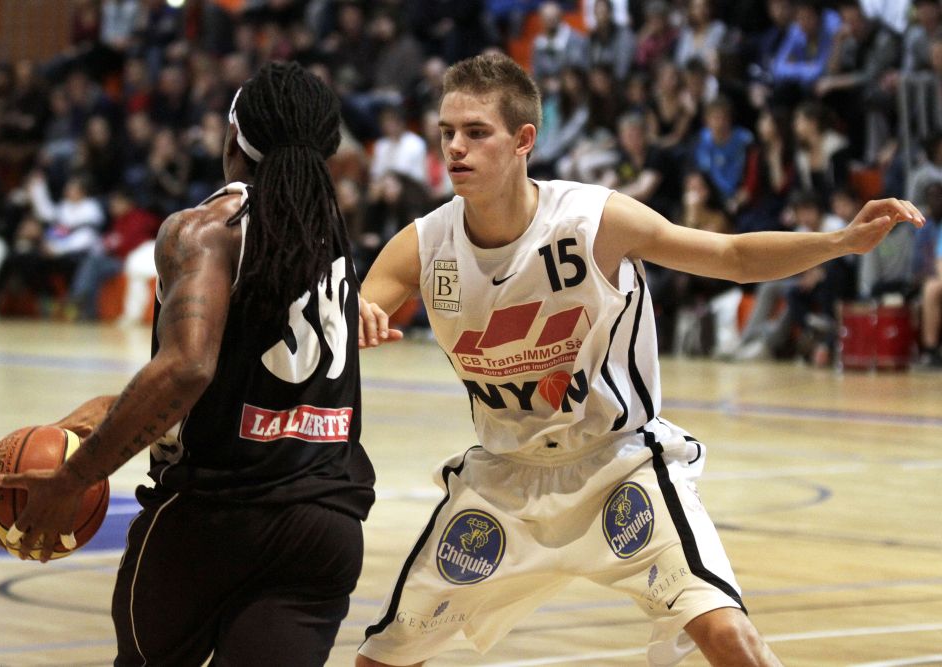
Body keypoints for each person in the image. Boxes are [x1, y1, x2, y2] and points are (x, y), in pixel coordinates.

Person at [354, 53, 923, 667]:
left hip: (618, 468)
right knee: (381, 658)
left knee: (728, 636)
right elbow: (348, 314)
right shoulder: (423, 244)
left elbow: (729, 255)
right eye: (446, 133)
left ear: (523, 141)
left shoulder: (592, 219)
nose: (455, 148)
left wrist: (839, 242)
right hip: (503, 483)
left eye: (475, 132)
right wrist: (354, 316)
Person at [0, 61, 375, 666]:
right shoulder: (326, 234)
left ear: (232, 137)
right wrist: (109, 412)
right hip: (324, 524)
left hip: (213, 521)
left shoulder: (203, 228)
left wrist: (76, 476)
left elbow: (188, 368)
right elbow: (235, 381)